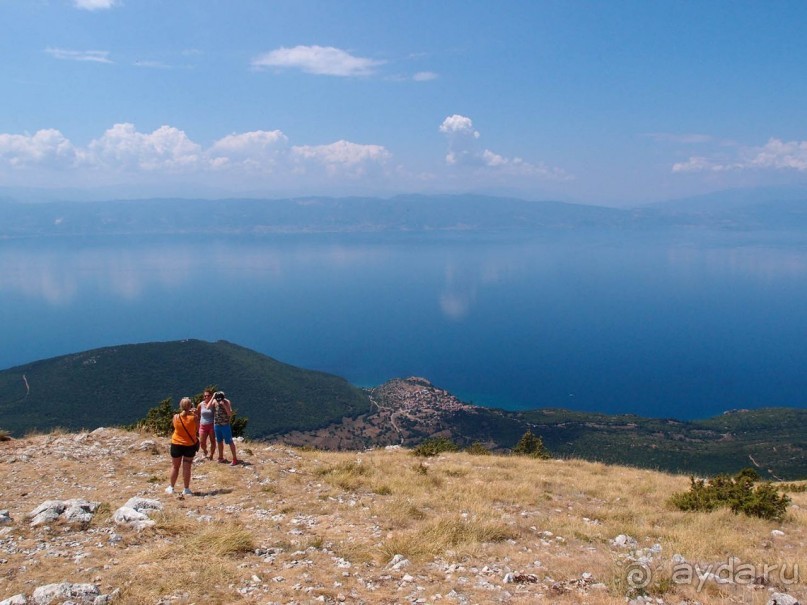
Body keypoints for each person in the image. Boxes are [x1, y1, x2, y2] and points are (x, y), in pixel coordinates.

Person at [166, 397, 201, 496]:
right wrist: (196, 415)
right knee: (187, 467)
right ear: (191, 406)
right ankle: (186, 489)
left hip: (176, 443)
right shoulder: (194, 418)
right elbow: (197, 429)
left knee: (175, 466)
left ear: (180, 406)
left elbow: (175, 427)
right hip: (189, 444)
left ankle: (171, 487)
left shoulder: (176, 417)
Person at [212, 390, 239, 466]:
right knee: (219, 441)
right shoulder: (215, 401)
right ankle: (220, 458)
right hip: (217, 425)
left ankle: (234, 459)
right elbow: (208, 407)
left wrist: (223, 405)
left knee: (230, 442)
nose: (219, 398)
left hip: (225, 425)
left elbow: (230, 413)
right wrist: (213, 397)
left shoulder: (226, 402)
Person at [197, 389, 217, 460]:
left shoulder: (213, 404)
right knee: (202, 442)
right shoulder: (200, 404)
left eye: (208, 396)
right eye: (205, 396)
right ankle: (205, 451)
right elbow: (198, 414)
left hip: (211, 425)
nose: (206, 397)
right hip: (202, 425)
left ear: (211, 396)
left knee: (212, 441)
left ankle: (211, 455)